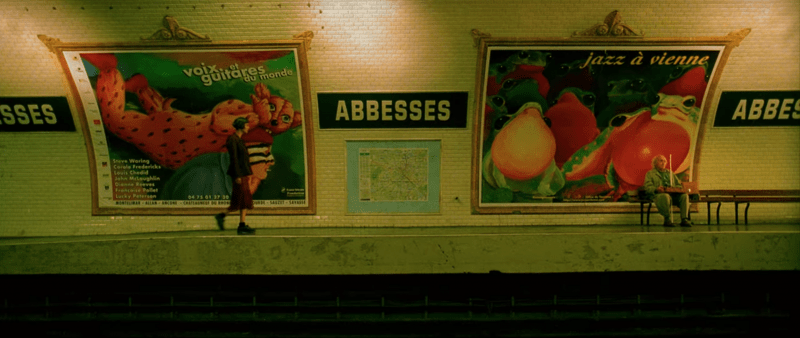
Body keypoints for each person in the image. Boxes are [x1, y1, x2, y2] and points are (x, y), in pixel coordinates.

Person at [216, 117, 258, 235]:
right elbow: (234, 158)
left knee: (241, 201)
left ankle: (232, 220)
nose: (248, 127)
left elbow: (243, 159)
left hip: (243, 174)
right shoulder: (232, 140)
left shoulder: (239, 140)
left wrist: (247, 174)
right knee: (242, 200)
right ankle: (240, 225)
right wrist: (238, 176)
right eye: (246, 125)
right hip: (239, 174)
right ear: (241, 126)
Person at [643, 155, 692, 227]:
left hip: (673, 195)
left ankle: (684, 219)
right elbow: (647, 187)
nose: (663, 163)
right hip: (659, 195)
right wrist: (656, 189)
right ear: (655, 163)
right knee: (665, 196)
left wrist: (674, 189)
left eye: (664, 161)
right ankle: (667, 219)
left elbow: (679, 185)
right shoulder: (650, 174)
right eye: (661, 161)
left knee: (684, 196)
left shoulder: (670, 173)